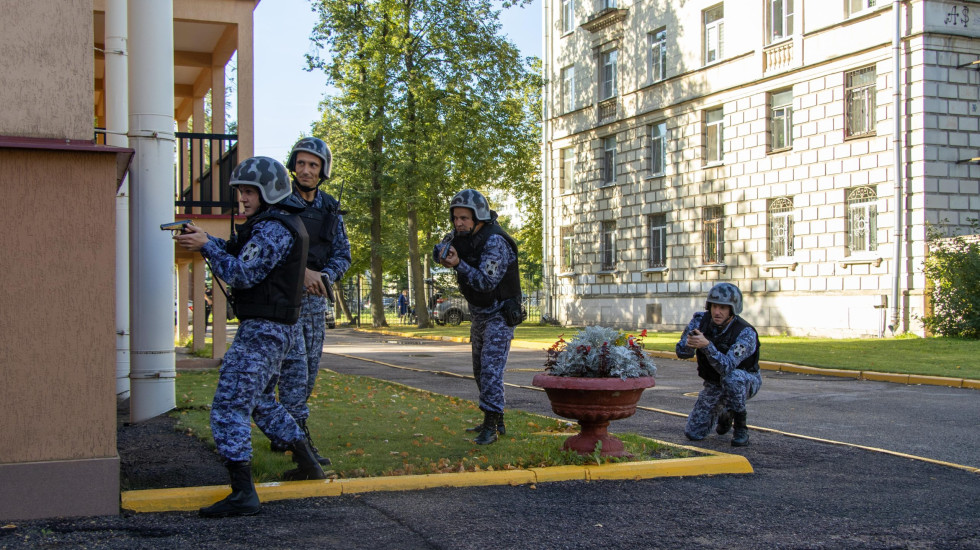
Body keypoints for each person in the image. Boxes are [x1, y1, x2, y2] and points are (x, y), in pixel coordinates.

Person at [174, 156, 326, 518]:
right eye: (240, 191)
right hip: (273, 329)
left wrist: (206, 247)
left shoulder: (273, 228)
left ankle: (243, 493)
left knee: (229, 406)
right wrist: (207, 238)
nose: (241, 198)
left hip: (263, 331)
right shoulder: (276, 223)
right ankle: (308, 463)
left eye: (248, 191)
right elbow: (243, 256)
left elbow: (243, 274)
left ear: (268, 191)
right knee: (261, 402)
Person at [269, 137, 351, 465]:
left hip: (316, 303)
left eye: (313, 165)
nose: (305, 170)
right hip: (285, 301)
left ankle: (284, 432)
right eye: (301, 163)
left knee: (310, 371)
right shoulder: (277, 203)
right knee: (294, 370)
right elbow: (270, 249)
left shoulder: (330, 208)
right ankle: (299, 442)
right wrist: (301, 273)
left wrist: (325, 276)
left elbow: (343, 254)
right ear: (293, 165)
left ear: (322, 170)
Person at [434, 189, 522, 445]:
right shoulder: (461, 235)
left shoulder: (495, 241)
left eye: (464, 218)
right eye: (455, 218)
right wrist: (443, 254)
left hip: (500, 312)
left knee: (491, 370)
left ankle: (491, 427)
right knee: (479, 370)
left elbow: (486, 281)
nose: (458, 223)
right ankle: (496, 419)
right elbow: (441, 247)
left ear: (478, 217)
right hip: (479, 313)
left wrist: (458, 264)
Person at [675, 282, 762, 447]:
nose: (717, 312)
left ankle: (740, 428)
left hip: (745, 380)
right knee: (693, 433)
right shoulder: (700, 321)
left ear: (732, 309)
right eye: (714, 306)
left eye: (723, 308)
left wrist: (707, 346)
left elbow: (727, 367)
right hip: (714, 384)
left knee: (732, 378)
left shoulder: (745, 333)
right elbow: (681, 353)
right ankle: (725, 412)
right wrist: (689, 343)